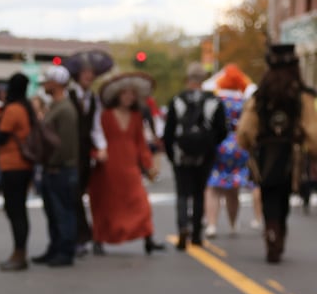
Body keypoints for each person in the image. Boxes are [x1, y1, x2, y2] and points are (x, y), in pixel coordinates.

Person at [237, 44, 317, 263]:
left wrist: (248, 144)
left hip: (265, 152)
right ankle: (279, 231)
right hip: (291, 153)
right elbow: (312, 129)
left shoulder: (259, 96)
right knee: (283, 196)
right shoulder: (303, 95)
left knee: (268, 193)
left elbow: (245, 129)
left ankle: (271, 231)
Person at [88, 74, 164, 255]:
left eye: (132, 94)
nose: (129, 97)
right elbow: (94, 138)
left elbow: (140, 143)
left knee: (141, 202)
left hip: (130, 166)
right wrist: (96, 153)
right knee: (106, 205)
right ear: (118, 95)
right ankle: (99, 238)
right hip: (108, 167)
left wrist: (148, 165)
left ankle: (148, 237)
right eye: (125, 94)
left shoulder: (136, 116)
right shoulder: (104, 116)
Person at [163, 63, 227, 249]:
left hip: (181, 154)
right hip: (205, 154)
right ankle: (197, 233)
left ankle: (183, 225)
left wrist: (170, 152)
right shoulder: (213, 101)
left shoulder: (177, 100)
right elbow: (222, 130)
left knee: (182, 192)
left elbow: (169, 131)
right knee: (199, 192)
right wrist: (210, 145)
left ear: (188, 79)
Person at [32, 66, 81, 267]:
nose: (44, 85)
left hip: (61, 169)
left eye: (47, 81)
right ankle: (55, 248)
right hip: (54, 168)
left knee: (63, 212)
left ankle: (65, 251)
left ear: (57, 83)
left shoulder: (65, 109)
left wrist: (52, 162)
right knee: (54, 213)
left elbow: (65, 144)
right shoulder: (56, 106)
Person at [205, 66, 256, 239]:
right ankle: (233, 224)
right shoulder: (244, 102)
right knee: (233, 189)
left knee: (213, 187)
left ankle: (212, 224)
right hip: (239, 146)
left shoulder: (215, 100)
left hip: (218, 144)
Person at [67, 56, 109, 255]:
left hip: (84, 152)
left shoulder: (93, 99)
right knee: (73, 194)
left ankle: (84, 235)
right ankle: (82, 235)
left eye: (91, 73)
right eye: (85, 73)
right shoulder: (68, 95)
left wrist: (101, 147)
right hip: (69, 150)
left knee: (82, 192)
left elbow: (96, 127)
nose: (89, 76)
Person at [0, 74, 35, 271]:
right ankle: (20, 252)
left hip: (13, 165)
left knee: (15, 210)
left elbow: (1, 137)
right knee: (19, 209)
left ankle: (19, 253)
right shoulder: (27, 108)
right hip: (24, 166)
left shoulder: (12, 109)